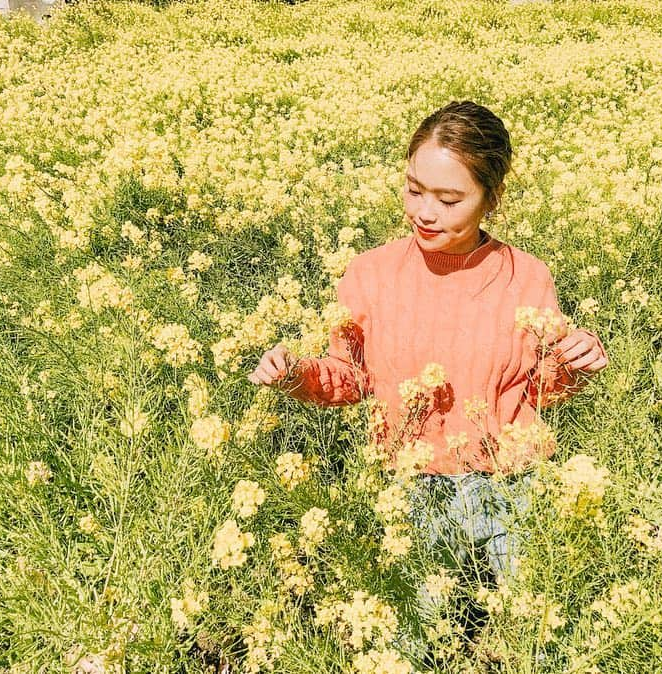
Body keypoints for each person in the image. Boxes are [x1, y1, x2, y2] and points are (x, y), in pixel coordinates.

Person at [248, 100, 609, 666]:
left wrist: (574, 363)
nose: (425, 212)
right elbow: (350, 377)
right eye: (415, 189)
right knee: (414, 645)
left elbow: (538, 389)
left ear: (492, 197)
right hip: (412, 489)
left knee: (535, 638)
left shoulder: (527, 275)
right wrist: (295, 372)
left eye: (448, 199)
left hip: (511, 487)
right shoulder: (371, 273)